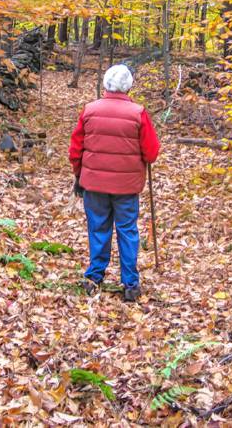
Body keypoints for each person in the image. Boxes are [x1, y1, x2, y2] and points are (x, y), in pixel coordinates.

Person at [68, 64, 160, 302]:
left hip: (94, 184)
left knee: (98, 228)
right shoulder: (138, 113)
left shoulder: (90, 110)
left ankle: (94, 277)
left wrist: (79, 174)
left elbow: (75, 149)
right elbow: (151, 152)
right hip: (126, 187)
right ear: (128, 85)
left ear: (106, 83)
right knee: (127, 230)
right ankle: (130, 284)